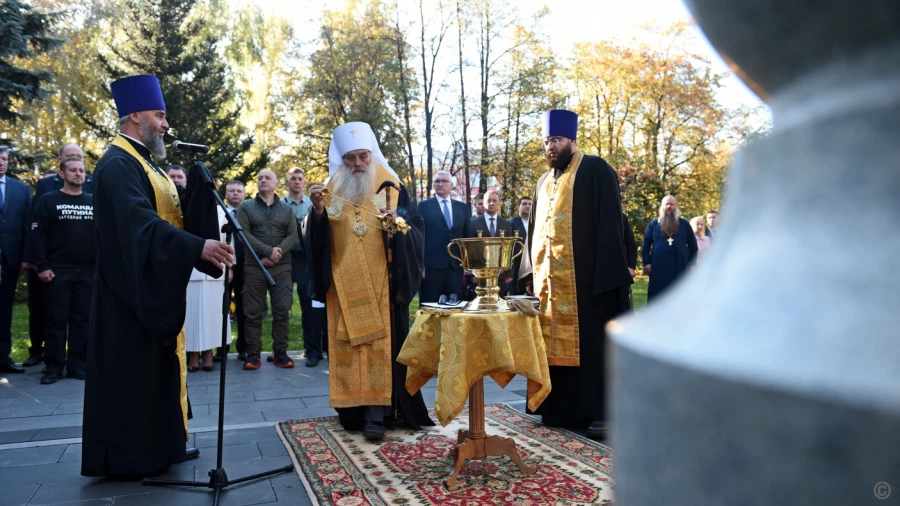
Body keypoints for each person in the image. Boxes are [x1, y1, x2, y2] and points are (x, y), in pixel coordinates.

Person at [81, 74, 234, 478]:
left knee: (158, 374)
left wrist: (200, 192)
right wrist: (194, 247)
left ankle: (165, 445)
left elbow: (171, 214)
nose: (166, 124)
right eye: (159, 115)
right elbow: (141, 225)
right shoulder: (116, 164)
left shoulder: (145, 163)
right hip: (127, 298)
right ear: (135, 115)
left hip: (151, 289)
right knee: (134, 379)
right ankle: (133, 457)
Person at [307, 121, 434, 441]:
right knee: (352, 348)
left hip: (384, 286)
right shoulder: (330, 190)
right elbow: (315, 238)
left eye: (363, 156)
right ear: (341, 159)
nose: (358, 164)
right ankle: (355, 411)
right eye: (350, 158)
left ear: (371, 153)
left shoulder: (389, 186)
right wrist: (318, 213)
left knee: (379, 349)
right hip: (344, 286)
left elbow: (414, 228)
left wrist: (398, 226)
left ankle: (379, 413)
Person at [518, 109, 633, 440]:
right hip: (548, 287)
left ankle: (602, 413)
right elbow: (533, 232)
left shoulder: (595, 169)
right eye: (546, 142)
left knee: (594, 349)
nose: (550, 147)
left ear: (571, 140)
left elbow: (611, 224)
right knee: (550, 347)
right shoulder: (543, 181)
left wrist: (607, 279)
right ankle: (558, 408)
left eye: (555, 140)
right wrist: (529, 277)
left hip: (588, 284)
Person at [25, 144, 93, 369]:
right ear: (62, 174)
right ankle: (53, 366)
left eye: (81, 170)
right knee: (56, 320)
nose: (78, 174)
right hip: (57, 270)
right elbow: (38, 235)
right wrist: (42, 266)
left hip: (87, 270)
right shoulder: (48, 200)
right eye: (73, 170)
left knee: (82, 320)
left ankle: (76, 364)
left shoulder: (93, 201)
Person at [236, 169, 296, 370]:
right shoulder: (246, 207)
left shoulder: (287, 209)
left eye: (267, 177)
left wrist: (276, 254)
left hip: (282, 267)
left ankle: (281, 353)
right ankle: (253, 355)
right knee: (252, 313)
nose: (263, 180)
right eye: (260, 178)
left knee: (282, 311)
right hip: (254, 267)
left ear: (276, 183)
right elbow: (243, 233)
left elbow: (292, 236)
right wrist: (268, 251)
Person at [281, 168, 323, 367]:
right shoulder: (280, 205)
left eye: (300, 179)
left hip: (307, 260)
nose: (296, 182)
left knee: (310, 307)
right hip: (286, 259)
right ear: (287, 183)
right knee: (282, 305)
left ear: (304, 183)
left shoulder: (313, 204)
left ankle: (313, 350)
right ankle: (280, 351)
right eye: (293, 179)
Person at [186, 205, 233, 372]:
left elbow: (229, 240)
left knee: (212, 316)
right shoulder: (185, 206)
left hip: (216, 270)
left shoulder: (222, 211)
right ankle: (192, 355)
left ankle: (208, 354)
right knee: (191, 315)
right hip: (189, 271)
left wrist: (230, 267)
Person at [417, 170, 473, 304]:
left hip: (456, 267)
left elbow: (468, 236)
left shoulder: (462, 208)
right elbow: (418, 237)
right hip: (431, 267)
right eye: (437, 181)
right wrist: (420, 264)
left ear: (452, 185)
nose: (440, 184)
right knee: (431, 306)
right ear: (433, 185)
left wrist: (468, 264)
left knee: (455, 306)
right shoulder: (423, 206)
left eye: (444, 181)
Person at [0, 146, 32, 374]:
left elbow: (27, 226)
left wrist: (25, 258)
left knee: (4, 311)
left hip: (10, 259)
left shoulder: (20, 189)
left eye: (4, 159)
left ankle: (3, 357)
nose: (1, 162)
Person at [642, 195, 699, 301]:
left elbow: (693, 246)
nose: (669, 206)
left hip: (680, 266)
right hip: (658, 268)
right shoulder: (653, 224)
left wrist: (693, 264)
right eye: (666, 204)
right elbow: (645, 246)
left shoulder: (684, 224)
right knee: (657, 296)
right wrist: (647, 263)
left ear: (676, 206)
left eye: (671, 204)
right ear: (662, 206)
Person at [219, 180, 247, 361]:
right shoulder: (220, 213)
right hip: (224, 266)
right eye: (232, 191)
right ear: (226, 194)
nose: (235, 194)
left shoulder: (248, 213)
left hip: (246, 267)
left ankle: (243, 348)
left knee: (244, 308)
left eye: (239, 191)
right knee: (223, 309)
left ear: (244, 194)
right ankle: (222, 349)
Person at [471, 189, 515, 295]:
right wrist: (473, 273)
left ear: (499, 203)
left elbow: (510, 249)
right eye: (488, 200)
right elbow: (471, 250)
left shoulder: (506, 224)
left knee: (499, 305)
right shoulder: (473, 223)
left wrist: (510, 272)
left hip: (500, 273)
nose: (491, 203)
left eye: (494, 201)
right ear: (484, 203)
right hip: (480, 274)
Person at [509, 196, 531, 296]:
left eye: (530, 204)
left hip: (532, 263)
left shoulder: (536, 222)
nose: (527, 206)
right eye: (524, 204)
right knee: (516, 293)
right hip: (516, 262)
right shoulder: (511, 222)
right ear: (518, 206)